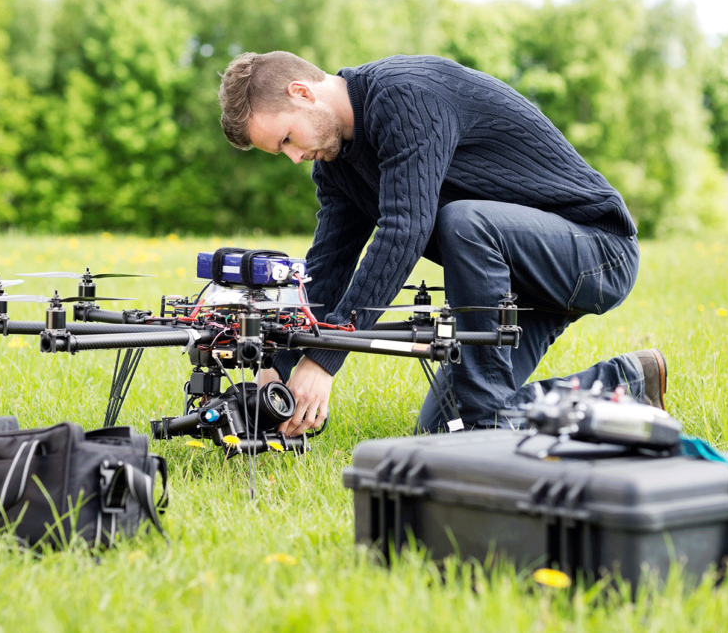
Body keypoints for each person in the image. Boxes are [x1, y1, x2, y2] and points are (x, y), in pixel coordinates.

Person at [218, 51, 667, 437]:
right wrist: (280, 361)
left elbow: (404, 231)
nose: (295, 156)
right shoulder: (337, 165)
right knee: (446, 432)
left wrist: (324, 359)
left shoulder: (405, 97)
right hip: (512, 283)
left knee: (464, 221)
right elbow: (329, 267)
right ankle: (626, 384)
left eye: (288, 139)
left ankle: (488, 414)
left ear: (302, 92)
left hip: (595, 250)